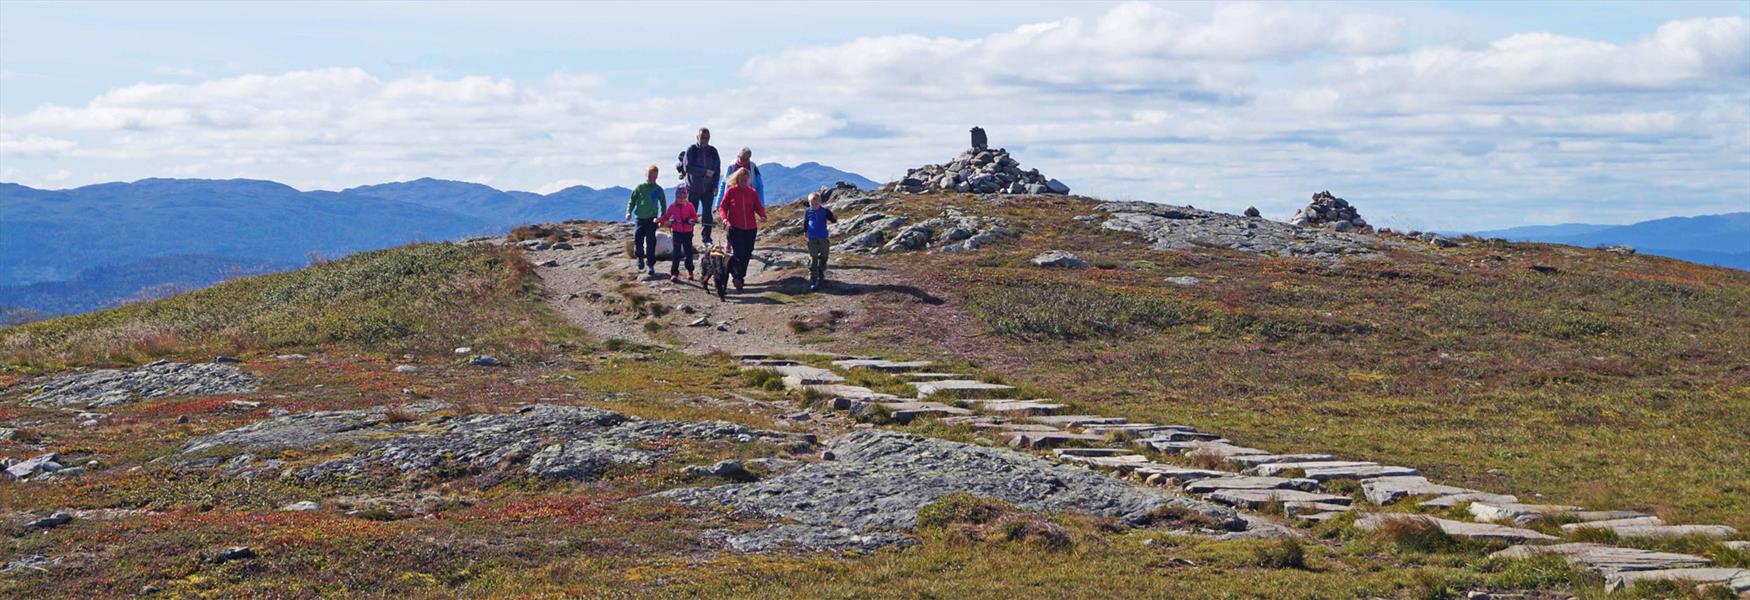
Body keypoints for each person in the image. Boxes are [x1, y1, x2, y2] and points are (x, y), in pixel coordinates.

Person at [716, 167, 765, 292]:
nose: (743, 182)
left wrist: (762, 215)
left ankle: (740, 276)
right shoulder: (730, 192)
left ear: (748, 180)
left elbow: (758, 206)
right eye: (741, 179)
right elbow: (722, 207)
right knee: (739, 254)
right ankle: (737, 277)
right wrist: (724, 219)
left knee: (747, 254)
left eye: (745, 179)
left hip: (751, 228)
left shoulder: (752, 192)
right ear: (736, 179)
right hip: (734, 228)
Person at [680, 128, 721, 246]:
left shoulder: (713, 151)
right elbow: (687, 167)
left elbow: (717, 170)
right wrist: (704, 172)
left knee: (707, 214)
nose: (705, 140)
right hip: (692, 188)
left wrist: (715, 185)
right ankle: (688, 238)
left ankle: (707, 238)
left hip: (708, 189)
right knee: (690, 214)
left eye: (707, 137)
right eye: (702, 137)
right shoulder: (692, 150)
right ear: (697, 137)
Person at [626, 165, 666, 276]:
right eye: (650, 175)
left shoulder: (658, 190)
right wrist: (629, 211)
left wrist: (662, 218)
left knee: (651, 242)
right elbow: (632, 200)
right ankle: (639, 257)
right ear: (646, 175)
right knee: (638, 239)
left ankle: (650, 265)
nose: (652, 177)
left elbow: (663, 205)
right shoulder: (639, 188)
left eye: (654, 175)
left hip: (652, 220)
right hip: (639, 218)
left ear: (657, 176)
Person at [656, 187, 699, 283]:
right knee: (676, 253)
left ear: (686, 197)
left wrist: (691, 220)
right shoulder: (672, 207)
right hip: (676, 232)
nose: (681, 199)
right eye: (679, 197)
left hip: (688, 232)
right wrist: (659, 220)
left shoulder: (690, 206)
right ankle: (674, 273)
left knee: (688, 252)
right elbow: (666, 216)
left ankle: (690, 271)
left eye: (683, 197)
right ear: (676, 197)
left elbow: (695, 217)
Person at [802, 192, 837, 291]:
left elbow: (833, 220)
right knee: (813, 258)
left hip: (823, 237)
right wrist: (805, 232)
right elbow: (805, 223)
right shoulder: (808, 212)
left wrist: (834, 218)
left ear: (820, 202)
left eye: (816, 203)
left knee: (824, 256)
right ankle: (813, 278)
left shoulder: (825, 211)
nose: (814, 206)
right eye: (811, 204)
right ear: (809, 203)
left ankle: (821, 272)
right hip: (812, 238)